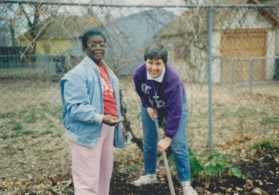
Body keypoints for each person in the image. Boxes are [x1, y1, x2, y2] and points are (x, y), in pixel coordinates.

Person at [60, 29, 124, 195]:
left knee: (104, 175)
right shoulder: (77, 74)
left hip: (107, 127)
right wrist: (101, 117)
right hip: (88, 130)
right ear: (84, 47)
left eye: (101, 44)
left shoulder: (106, 71)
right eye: (93, 44)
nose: (98, 47)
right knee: (87, 180)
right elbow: (75, 108)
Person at [132, 43, 198, 195]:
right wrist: (147, 105)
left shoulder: (173, 80)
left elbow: (176, 112)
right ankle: (150, 175)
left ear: (164, 63)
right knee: (149, 141)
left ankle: (186, 185)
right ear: (145, 62)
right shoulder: (139, 73)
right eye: (150, 62)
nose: (153, 67)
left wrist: (168, 137)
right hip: (151, 106)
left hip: (173, 108)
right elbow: (141, 92)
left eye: (158, 63)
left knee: (178, 143)